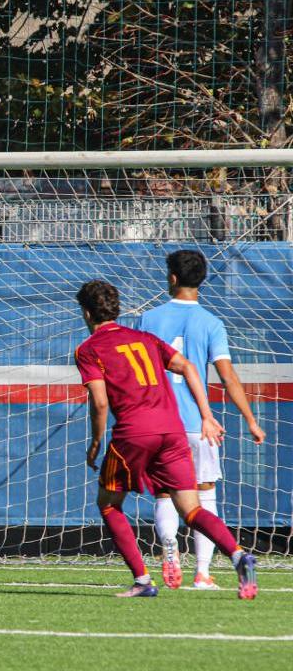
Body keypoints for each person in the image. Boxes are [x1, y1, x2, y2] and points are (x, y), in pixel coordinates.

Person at [74, 280, 257, 599]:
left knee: (108, 504)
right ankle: (239, 555)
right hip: (173, 431)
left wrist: (95, 442)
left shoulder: (89, 349)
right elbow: (187, 367)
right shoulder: (144, 338)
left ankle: (143, 581)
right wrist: (205, 413)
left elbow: (101, 402)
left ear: (87, 313)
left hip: (134, 432)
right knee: (191, 508)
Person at [139, 250, 265, 590]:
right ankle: (203, 573)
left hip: (158, 423)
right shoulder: (211, 323)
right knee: (204, 492)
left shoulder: (148, 320)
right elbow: (228, 377)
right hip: (198, 424)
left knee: (165, 493)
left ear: (172, 278)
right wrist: (251, 420)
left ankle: (169, 550)